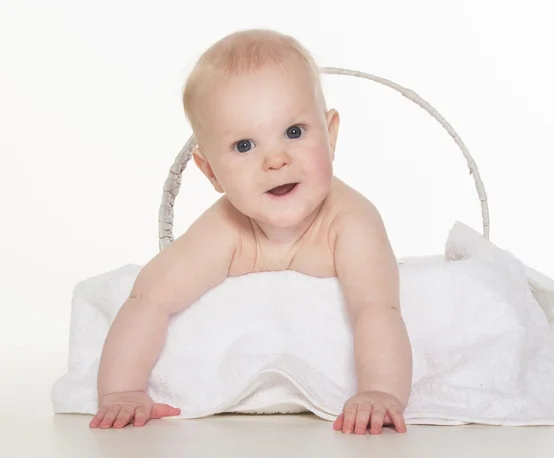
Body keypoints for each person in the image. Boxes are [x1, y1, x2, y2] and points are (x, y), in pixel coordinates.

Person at [89, 28, 412, 435]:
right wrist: (120, 391)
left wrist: (381, 392)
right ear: (210, 172)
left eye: (294, 132)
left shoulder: (352, 222)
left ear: (330, 136)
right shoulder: (223, 231)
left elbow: (376, 309)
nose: (276, 159)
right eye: (244, 145)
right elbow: (148, 298)